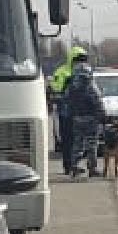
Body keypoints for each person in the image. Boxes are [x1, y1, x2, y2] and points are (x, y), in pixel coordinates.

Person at [50, 46, 89, 174]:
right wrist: (67, 87)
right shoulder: (62, 72)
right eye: (78, 60)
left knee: (79, 140)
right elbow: (55, 90)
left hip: (80, 112)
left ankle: (75, 165)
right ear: (72, 59)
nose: (81, 63)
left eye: (83, 60)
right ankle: (68, 166)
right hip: (66, 112)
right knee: (68, 140)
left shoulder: (84, 72)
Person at [64, 63, 106, 178]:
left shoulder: (71, 87)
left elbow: (67, 102)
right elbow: (98, 103)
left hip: (77, 119)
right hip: (91, 119)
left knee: (78, 143)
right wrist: (103, 116)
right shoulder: (90, 86)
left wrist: (70, 116)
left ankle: (74, 167)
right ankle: (92, 168)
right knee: (92, 145)